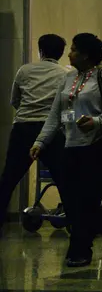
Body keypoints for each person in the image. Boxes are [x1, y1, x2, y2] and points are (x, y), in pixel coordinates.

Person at [31, 34, 102, 267]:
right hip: (70, 144)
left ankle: (80, 249)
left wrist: (99, 121)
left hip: (98, 146)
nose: (69, 53)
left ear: (85, 54)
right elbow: (55, 114)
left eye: (74, 49)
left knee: (86, 200)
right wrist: (40, 142)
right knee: (74, 201)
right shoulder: (68, 78)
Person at [0, 35, 68, 233]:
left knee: (9, 178)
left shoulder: (25, 70)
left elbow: (15, 100)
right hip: (52, 130)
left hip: (23, 128)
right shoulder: (64, 74)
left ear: (40, 51)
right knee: (63, 179)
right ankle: (75, 221)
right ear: (61, 53)